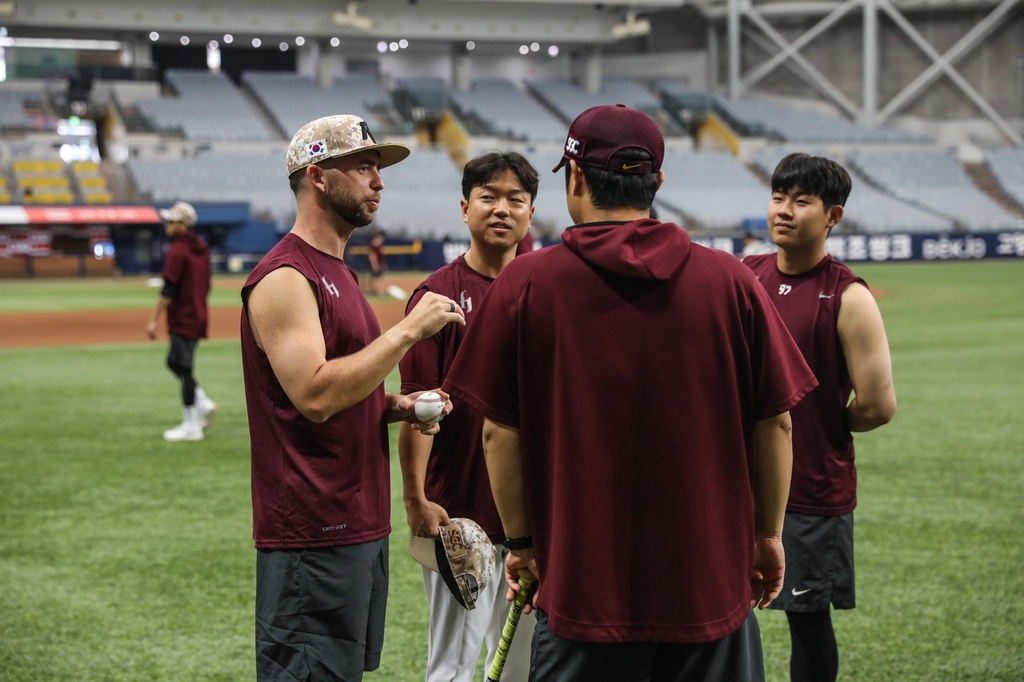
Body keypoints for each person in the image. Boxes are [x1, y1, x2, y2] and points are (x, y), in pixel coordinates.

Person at [442, 104, 819, 681]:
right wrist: (767, 535)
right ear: (658, 182)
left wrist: (521, 545)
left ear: (574, 177)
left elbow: (499, 431)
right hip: (709, 587)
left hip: (581, 591)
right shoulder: (731, 281)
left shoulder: (526, 283)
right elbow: (777, 421)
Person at [239, 115, 466, 682]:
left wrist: (401, 407)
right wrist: (408, 332)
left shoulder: (337, 270)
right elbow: (313, 395)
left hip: (358, 522)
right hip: (311, 532)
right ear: (317, 176)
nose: (379, 181)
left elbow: (345, 389)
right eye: (364, 167)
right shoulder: (286, 276)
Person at [743, 153, 897, 682]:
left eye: (801, 201)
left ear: (832, 216)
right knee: (720, 613)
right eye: (779, 197)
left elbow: (878, 405)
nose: (784, 210)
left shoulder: (849, 296)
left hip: (810, 490)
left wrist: (819, 422)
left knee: (807, 619)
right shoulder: (746, 276)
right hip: (734, 483)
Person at [398, 151, 539, 682]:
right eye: (488, 197)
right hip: (460, 515)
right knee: (453, 668)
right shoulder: (435, 296)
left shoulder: (547, 290)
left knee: (524, 667)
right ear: (464, 208)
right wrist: (416, 497)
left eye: (515, 200)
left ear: (531, 213)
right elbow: (416, 405)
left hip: (535, 515)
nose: (501, 209)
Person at [146, 200, 216, 442]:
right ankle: (202, 402)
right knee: (173, 361)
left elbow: (169, 287)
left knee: (184, 368)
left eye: (172, 220)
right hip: (198, 314)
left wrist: (154, 320)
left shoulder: (177, 250)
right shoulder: (202, 249)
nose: (167, 224)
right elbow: (207, 285)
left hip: (183, 317)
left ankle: (191, 425)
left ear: (184, 224)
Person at [367, 230, 386, 295]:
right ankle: (375, 290)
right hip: (376, 264)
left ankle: (376, 290)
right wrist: (374, 264)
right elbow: (372, 255)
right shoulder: (374, 244)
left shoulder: (379, 244)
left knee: (378, 277)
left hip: (379, 263)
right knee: (376, 277)